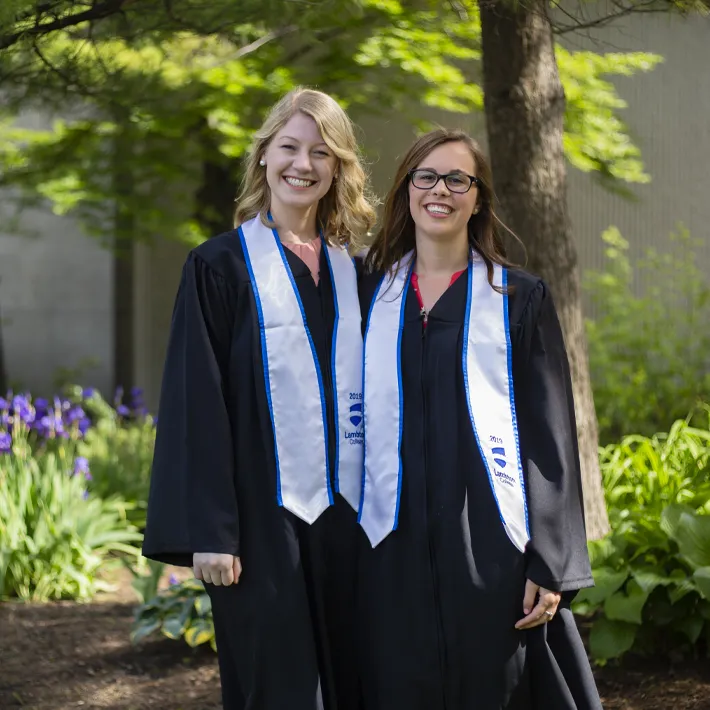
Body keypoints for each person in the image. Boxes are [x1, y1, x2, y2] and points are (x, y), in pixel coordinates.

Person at [142, 87, 376, 710]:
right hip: (258, 524)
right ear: (264, 158)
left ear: (339, 168)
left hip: (352, 521)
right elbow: (198, 402)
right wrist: (212, 530)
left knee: (355, 681)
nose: (303, 164)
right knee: (278, 687)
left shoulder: (359, 273)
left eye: (321, 152)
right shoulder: (219, 266)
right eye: (289, 147)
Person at [356, 128, 602, 709]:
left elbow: (550, 435)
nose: (440, 190)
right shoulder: (369, 292)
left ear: (478, 197)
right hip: (387, 539)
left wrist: (553, 559)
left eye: (457, 179)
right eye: (426, 177)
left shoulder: (517, 298)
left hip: (490, 540)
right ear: (406, 191)